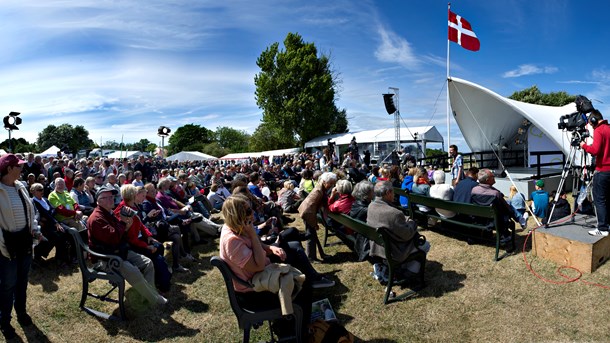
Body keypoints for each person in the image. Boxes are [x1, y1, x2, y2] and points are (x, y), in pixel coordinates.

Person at [219, 195, 333, 341]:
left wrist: (271, 248)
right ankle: (299, 332)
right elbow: (258, 266)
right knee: (303, 287)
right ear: (237, 215)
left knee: (292, 251)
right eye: (248, 211)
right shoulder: (232, 241)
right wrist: (253, 234)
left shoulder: (237, 227)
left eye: (251, 209)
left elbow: (257, 249)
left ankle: (290, 323)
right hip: (252, 293)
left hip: (258, 280)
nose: (252, 213)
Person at [87, 185, 168, 306]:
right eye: (108, 197)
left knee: (148, 263)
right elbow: (113, 238)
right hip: (106, 257)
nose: (112, 200)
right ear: (99, 200)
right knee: (134, 271)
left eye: (112, 197)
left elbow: (121, 234)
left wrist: (126, 226)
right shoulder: (97, 218)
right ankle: (154, 299)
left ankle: (149, 294)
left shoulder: (108, 213)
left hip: (118, 251)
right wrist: (124, 223)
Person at [0, 154, 41, 340]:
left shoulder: (21, 187)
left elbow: (31, 212)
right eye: (19, 166)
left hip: (24, 242)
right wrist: (2, 246)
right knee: (7, 285)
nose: (22, 169)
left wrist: (34, 228)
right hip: (5, 246)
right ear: (9, 169)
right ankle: (4, 322)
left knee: (22, 281)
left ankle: (21, 313)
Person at [367, 181, 430, 280]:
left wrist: (406, 220)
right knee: (425, 245)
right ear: (388, 193)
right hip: (394, 251)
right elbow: (407, 234)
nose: (394, 194)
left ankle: (402, 267)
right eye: (393, 191)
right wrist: (412, 223)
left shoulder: (371, 206)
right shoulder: (394, 213)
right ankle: (410, 272)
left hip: (378, 248)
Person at [580, 109, 610, 236]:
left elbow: (596, 150)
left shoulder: (599, 129)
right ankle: (607, 225)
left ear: (593, 120)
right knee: (607, 199)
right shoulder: (609, 128)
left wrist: (584, 145)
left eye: (591, 124)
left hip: (602, 170)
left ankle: (602, 228)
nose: (591, 127)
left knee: (599, 200)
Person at [471, 169, 520, 242]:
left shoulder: (473, 190)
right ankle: (520, 219)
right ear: (487, 180)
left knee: (507, 203)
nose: (494, 176)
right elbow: (507, 209)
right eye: (492, 176)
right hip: (496, 221)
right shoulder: (495, 194)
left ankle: (520, 219)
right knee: (509, 205)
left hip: (480, 219)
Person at [298, 172, 337, 262]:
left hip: (308, 212)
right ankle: (311, 258)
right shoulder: (318, 191)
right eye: (330, 183)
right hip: (307, 213)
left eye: (333, 183)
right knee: (311, 236)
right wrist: (314, 223)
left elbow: (324, 202)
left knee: (313, 235)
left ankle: (321, 254)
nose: (331, 185)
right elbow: (309, 210)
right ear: (324, 181)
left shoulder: (321, 188)